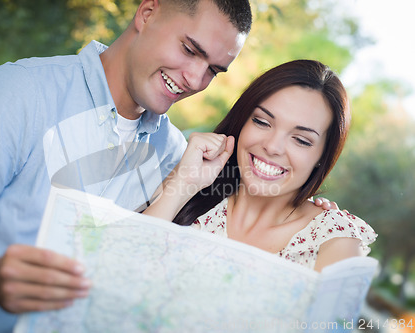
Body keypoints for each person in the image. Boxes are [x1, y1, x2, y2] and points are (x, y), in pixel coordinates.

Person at [0, 0, 252, 332]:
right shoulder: (18, 93)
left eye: (213, 70)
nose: (195, 79)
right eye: (190, 50)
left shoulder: (174, 156)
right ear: (147, 14)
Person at [144, 59, 377, 271]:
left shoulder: (334, 239)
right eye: (262, 122)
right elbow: (123, 261)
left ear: (322, 157)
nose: (273, 146)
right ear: (242, 121)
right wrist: (183, 183)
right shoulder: (190, 190)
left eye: (301, 140)